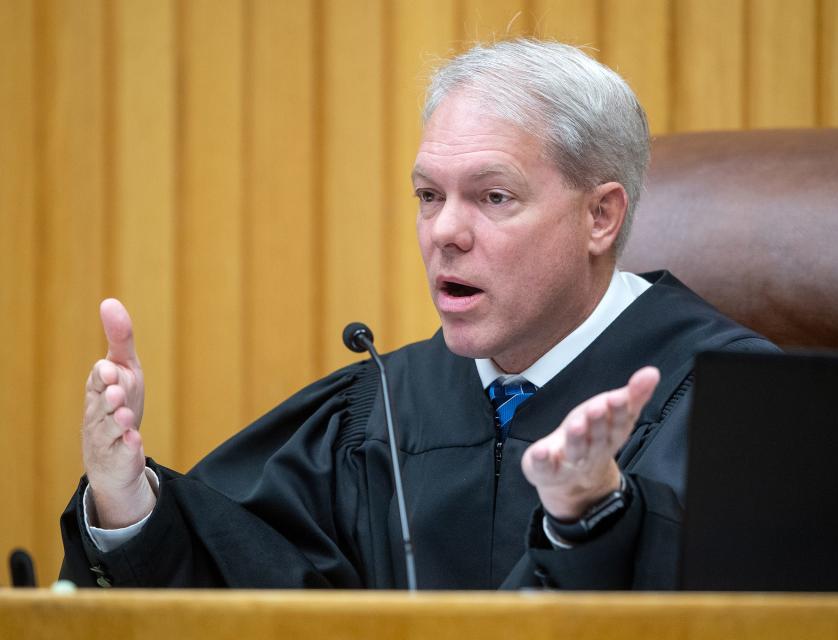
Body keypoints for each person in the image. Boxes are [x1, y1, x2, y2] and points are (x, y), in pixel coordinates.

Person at [60, 39, 776, 590]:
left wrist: (601, 518)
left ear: (600, 215)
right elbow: (254, 588)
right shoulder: (379, 411)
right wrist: (127, 501)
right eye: (429, 195)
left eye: (493, 197)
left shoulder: (738, 406)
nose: (444, 232)